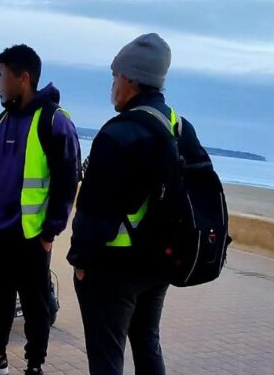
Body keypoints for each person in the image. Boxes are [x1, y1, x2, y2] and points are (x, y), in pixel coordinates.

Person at [68, 33, 207, 375]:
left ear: (130, 79)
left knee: (106, 356)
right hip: (159, 264)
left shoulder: (118, 133)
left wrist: (81, 260)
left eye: (115, 76)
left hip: (112, 268)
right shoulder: (180, 127)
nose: (112, 85)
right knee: (147, 345)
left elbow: (94, 210)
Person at [0, 45, 81, 375]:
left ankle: (34, 366)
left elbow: (68, 180)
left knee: (34, 304)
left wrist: (50, 232)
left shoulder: (54, 121)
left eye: (2, 76)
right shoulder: (1, 120)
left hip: (30, 234)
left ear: (22, 78)